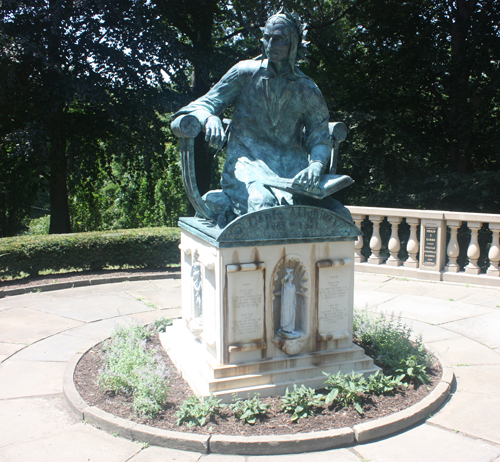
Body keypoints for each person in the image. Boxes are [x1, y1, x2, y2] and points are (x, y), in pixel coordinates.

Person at [173, 10, 351, 221]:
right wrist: (209, 117)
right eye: (267, 38)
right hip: (247, 164)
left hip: (293, 171)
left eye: (278, 39)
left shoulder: (307, 89)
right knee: (263, 205)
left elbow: (319, 137)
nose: (271, 44)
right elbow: (203, 104)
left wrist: (316, 166)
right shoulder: (244, 73)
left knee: (339, 215)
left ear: (292, 44)